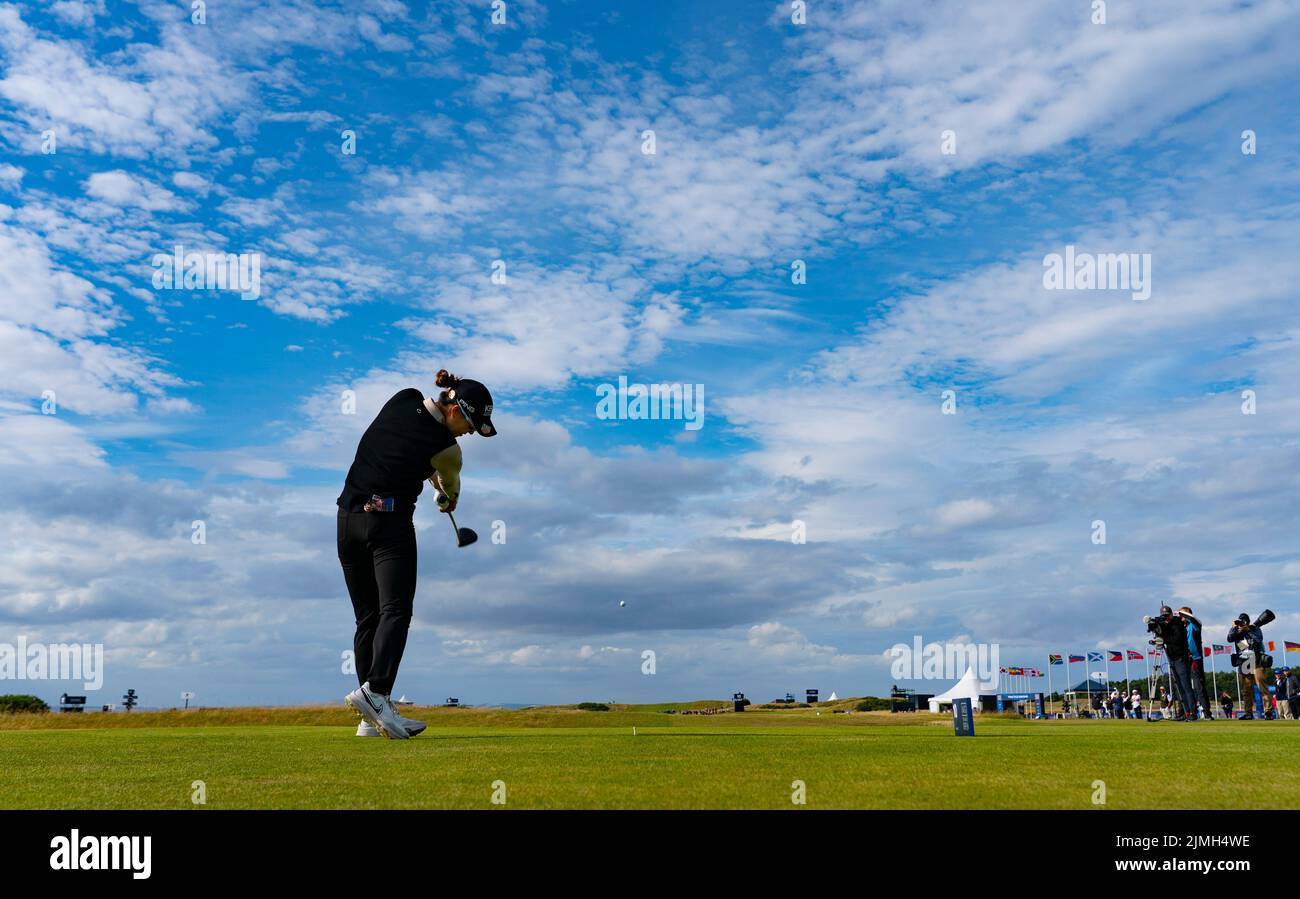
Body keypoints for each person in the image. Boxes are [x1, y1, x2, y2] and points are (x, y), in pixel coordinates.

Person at [337, 369, 497, 739]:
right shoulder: (449, 451)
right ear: (455, 408)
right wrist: (445, 494)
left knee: (368, 618)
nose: (471, 432)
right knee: (396, 611)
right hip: (388, 526)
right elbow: (449, 488)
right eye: (471, 423)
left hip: (347, 521)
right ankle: (376, 694)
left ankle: (370, 718)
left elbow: (401, 445)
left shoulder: (403, 398)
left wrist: (427, 473)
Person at [1147, 607, 1195, 721]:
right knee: (1179, 686)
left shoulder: (1177, 624)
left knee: (1186, 685)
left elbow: (1176, 639)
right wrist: (1155, 626)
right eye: (1164, 616)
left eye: (1167, 615)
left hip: (1180, 657)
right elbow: (1160, 632)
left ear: (1171, 615)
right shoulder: (1166, 625)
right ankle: (1185, 712)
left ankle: (1192, 712)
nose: (1166, 618)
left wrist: (1163, 638)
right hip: (1172, 658)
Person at [1227, 612, 1274, 720]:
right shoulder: (1237, 632)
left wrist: (1248, 630)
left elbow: (1258, 639)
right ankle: (1248, 713)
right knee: (1246, 690)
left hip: (1257, 661)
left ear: (1248, 622)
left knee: (1263, 688)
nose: (1242, 623)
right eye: (1240, 622)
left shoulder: (1255, 628)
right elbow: (1229, 638)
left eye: (1244, 621)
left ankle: (1268, 712)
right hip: (1244, 662)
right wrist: (1234, 628)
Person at [1177, 607, 1213, 719]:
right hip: (1183, 659)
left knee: (1199, 686)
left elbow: (1195, 621)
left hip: (1195, 659)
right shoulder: (1180, 627)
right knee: (1182, 686)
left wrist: (1183, 614)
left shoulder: (1194, 625)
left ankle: (1207, 713)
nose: (1180, 617)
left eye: (1182, 615)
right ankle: (1184, 712)